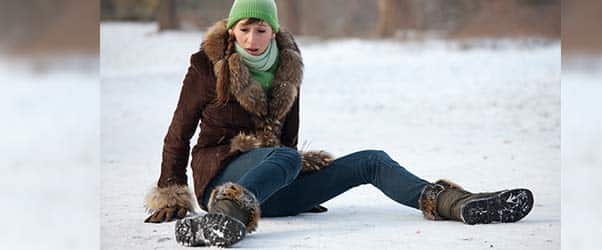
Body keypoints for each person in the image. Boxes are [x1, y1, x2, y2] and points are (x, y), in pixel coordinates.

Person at [144, 0, 534, 247]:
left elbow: (286, 136)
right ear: (231, 31)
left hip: (274, 182)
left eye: (260, 29)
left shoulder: (287, 68)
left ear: (273, 31)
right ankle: (225, 221)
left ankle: (457, 204)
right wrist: (171, 193)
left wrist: (294, 182)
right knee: (286, 157)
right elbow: (178, 133)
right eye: (243, 29)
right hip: (220, 178)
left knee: (372, 160)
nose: (251, 38)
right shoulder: (205, 68)